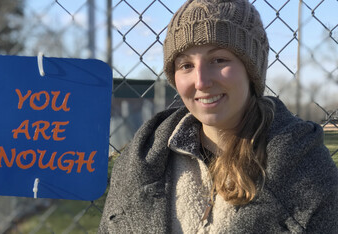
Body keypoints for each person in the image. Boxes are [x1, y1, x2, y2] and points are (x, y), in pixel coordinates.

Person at [99, 0, 338, 233]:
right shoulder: (138, 164)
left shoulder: (306, 168)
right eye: (186, 66)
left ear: (251, 70)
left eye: (219, 60)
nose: (201, 81)